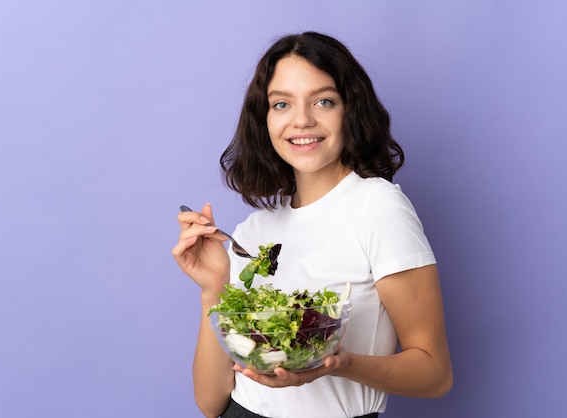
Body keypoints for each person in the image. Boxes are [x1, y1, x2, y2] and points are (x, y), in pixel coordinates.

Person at [172, 31, 453, 418]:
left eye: (323, 101)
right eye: (282, 104)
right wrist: (213, 289)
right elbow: (211, 402)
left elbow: (435, 374)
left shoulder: (377, 206)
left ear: (349, 110)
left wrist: (338, 364)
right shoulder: (254, 231)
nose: (301, 120)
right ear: (265, 119)